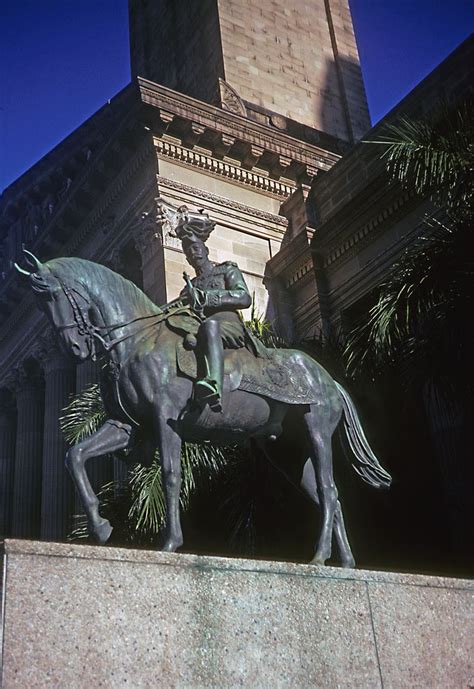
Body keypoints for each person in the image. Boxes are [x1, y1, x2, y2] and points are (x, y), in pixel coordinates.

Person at [169, 205, 260, 411]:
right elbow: (173, 308)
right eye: (188, 252)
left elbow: (244, 297)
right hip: (199, 329)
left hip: (228, 325)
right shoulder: (188, 288)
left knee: (210, 327)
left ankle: (214, 385)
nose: (192, 254)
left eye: (195, 248)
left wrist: (207, 298)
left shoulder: (226, 269)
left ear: (205, 249)